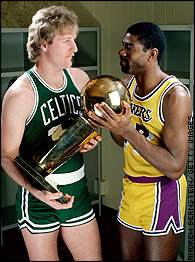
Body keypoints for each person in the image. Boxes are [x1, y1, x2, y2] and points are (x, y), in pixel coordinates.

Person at [1, 5, 102, 261]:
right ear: (44, 44)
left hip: (77, 190)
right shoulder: (21, 94)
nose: (75, 48)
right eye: (67, 41)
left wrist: (88, 140)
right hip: (38, 198)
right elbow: (6, 155)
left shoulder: (80, 79)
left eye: (75, 40)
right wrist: (37, 192)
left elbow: (86, 127)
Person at [87, 22, 192, 261]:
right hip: (132, 186)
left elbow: (176, 168)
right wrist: (112, 125)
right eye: (122, 46)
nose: (121, 52)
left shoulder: (175, 96)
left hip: (162, 191)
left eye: (129, 47)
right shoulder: (127, 87)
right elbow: (123, 141)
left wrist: (128, 130)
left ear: (151, 54)